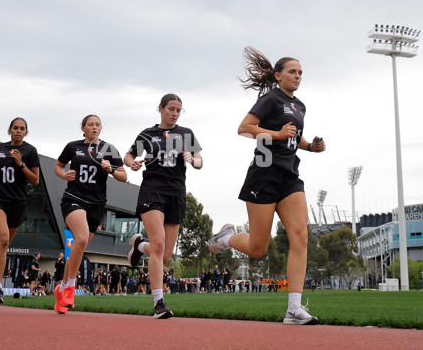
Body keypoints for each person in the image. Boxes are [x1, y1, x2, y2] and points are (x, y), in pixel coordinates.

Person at [208, 47, 325, 325]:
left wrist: (311, 146)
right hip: (264, 174)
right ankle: (224, 239)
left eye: (300, 73)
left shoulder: (300, 106)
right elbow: (244, 128)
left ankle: (294, 309)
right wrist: (276, 133)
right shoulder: (270, 99)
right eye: (292, 72)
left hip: (290, 176)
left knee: (300, 235)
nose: (297, 76)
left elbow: (293, 138)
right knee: (259, 248)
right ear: (278, 75)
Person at [126, 93, 203, 319]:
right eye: (171, 109)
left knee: (165, 254)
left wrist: (191, 158)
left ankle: (139, 246)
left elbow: (200, 161)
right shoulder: (148, 134)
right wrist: (134, 164)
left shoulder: (186, 133)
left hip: (176, 193)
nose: (175, 114)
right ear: (160, 109)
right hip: (152, 190)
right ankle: (159, 302)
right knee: (158, 244)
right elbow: (129, 156)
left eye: (179, 110)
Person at [52, 114, 127, 314]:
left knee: (79, 247)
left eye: (97, 124)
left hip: (97, 204)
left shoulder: (109, 149)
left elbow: (123, 175)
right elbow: (58, 166)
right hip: (74, 198)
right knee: (82, 238)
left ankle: (60, 289)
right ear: (83, 128)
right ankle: (70, 287)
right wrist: (63, 174)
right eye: (90, 124)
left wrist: (110, 169)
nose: (94, 127)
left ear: (101, 128)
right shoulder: (73, 147)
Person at [0, 117, 40, 305]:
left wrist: (21, 164)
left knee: (3, 247)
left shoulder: (30, 151)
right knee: (3, 240)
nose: (18, 131)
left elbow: (35, 180)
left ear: (26, 132)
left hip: (18, 202)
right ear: (10, 130)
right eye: (15, 128)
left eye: (22, 128)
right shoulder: (0, 149)